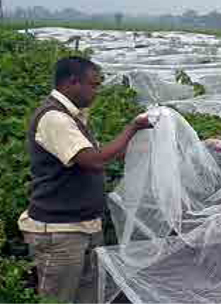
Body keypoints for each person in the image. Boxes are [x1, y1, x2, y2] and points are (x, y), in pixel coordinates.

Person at [18, 56, 152, 303]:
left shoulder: (74, 118)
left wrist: (148, 140)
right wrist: (132, 128)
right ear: (72, 82)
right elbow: (95, 161)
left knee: (88, 298)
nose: (97, 91)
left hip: (84, 226)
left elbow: (107, 156)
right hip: (61, 232)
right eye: (94, 85)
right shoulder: (54, 118)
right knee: (57, 299)